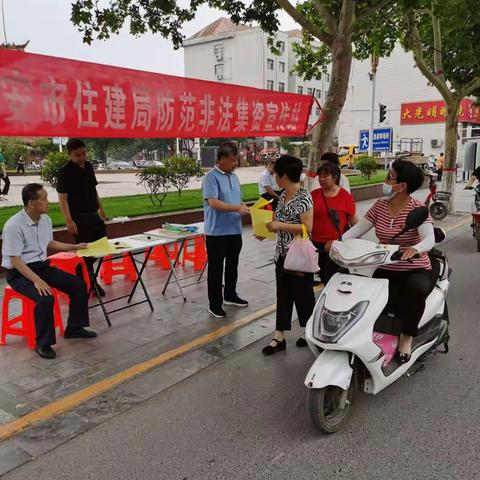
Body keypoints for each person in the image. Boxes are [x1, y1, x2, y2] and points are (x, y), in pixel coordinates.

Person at [328, 160, 435, 363]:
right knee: (362, 291)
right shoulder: (380, 206)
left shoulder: (418, 209)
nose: (385, 180)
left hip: (413, 267)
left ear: (401, 186)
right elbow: (357, 230)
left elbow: (429, 239)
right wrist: (338, 242)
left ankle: (406, 337)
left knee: (414, 291)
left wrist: (415, 249)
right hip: (385, 264)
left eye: (390, 177)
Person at [2, 184, 97, 360]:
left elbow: (49, 243)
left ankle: (74, 328)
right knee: (45, 298)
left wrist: (74, 247)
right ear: (32, 203)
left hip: (41, 266)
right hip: (19, 272)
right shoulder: (14, 225)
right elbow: (15, 260)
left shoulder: (45, 219)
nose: (48, 202)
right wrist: (37, 281)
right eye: (44, 199)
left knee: (78, 285)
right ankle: (43, 344)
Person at [261, 155, 315, 356]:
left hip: (299, 257)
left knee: (304, 297)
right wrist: (267, 229)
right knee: (282, 296)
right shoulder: (282, 196)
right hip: (282, 254)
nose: (274, 176)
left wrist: (279, 225)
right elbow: (278, 222)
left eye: (276, 173)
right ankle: (279, 336)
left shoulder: (304, 197)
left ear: (284, 175)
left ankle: (309, 332)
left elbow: (307, 228)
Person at [202, 141, 250, 318]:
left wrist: (244, 207)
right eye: (232, 160)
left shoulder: (234, 177)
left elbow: (238, 199)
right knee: (216, 269)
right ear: (222, 159)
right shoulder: (211, 177)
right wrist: (237, 209)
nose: (235, 163)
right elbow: (213, 202)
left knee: (232, 265)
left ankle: (230, 294)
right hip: (217, 232)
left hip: (234, 230)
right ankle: (214, 304)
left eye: (236, 160)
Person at [57, 138, 108, 296]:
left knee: (101, 245)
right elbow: (62, 199)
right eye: (77, 155)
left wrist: (101, 209)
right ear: (70, 155)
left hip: (93, 214)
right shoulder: (65, 172)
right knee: (86, 250)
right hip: (78, 217)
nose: (81, 157)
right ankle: (90, 283)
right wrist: (69, 220)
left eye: (83, 153)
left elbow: (94, 190)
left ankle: (80, 272)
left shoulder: (89, 167)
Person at [311, 163, 358, 285]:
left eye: (325, 176)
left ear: (335, 177)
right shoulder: (313, 195)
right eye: (320, 176)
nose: (321, 179)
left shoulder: (345, 196)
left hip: (337, 246)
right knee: (323, 277)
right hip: (317, 246)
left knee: (334, 280)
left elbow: (355, 223)